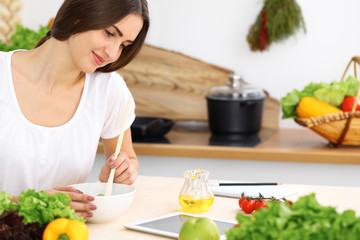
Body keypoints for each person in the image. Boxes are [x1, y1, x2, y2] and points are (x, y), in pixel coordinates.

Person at [0, 0, 149, 219]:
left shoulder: (108, 90)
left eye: (124, 45)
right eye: (109, 33)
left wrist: (121, 173)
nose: (113, 53)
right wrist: (32, 204)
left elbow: (128, 159)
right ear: (79, 15)